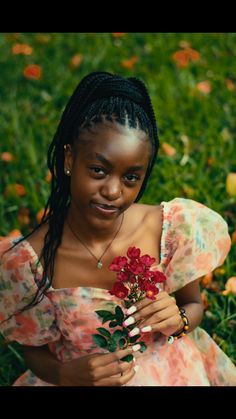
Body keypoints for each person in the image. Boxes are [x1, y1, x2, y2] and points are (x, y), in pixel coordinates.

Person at [0, 71, 235, 386]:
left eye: (131, 178)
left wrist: (177, 320)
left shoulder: (167, 230)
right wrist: (63, 373)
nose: (113, 191)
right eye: (98, 170)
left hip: (166, 370)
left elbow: (193, 307)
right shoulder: (34, 262)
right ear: (69, 159)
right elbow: (34, 349)